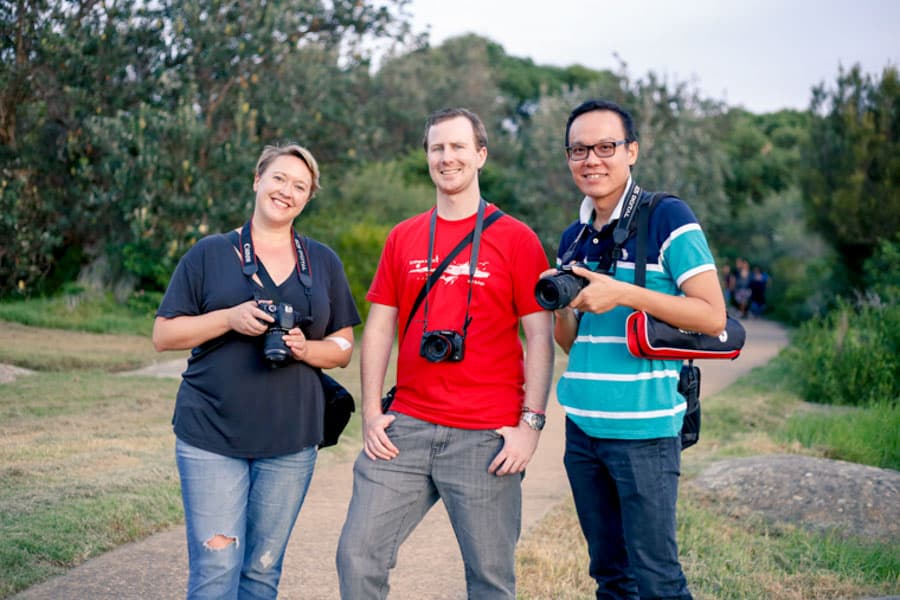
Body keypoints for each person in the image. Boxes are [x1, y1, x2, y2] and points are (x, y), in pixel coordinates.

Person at [335, 107, 554, 599]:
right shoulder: (404, 236)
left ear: (480, 155)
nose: (446, 157)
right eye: (437, 147)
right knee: (357, 555)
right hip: (405, 428)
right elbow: (379, 328)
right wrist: (372, 413)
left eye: (458, 147)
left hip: (485, 437)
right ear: (427, 156)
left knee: (490, 579)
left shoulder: (517, 239)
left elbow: (539, 336)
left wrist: (530, 427)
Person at [152, 143, 361, 599]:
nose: (287, 191)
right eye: (280, 178)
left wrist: (307, 348)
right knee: (215, 567)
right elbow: (163, 334)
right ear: (257, 180)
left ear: (308, 199)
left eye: (300, 187)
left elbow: (344, 347)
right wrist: (229, 318)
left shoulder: (322, 261)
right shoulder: (211, 253)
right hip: (212, 434)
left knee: (262, 572)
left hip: (291, 440)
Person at [545, 99, 727, 599]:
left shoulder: (666, 216)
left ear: (632, 152)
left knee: (657, 579)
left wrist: (621, 292)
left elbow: (712, 316)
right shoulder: (575, 236)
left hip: (645, 431)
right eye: (578, 149)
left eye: (606, 147)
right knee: (611, 576)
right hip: (582, 430)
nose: (591, 160)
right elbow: (572, 343)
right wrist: (559, 305)